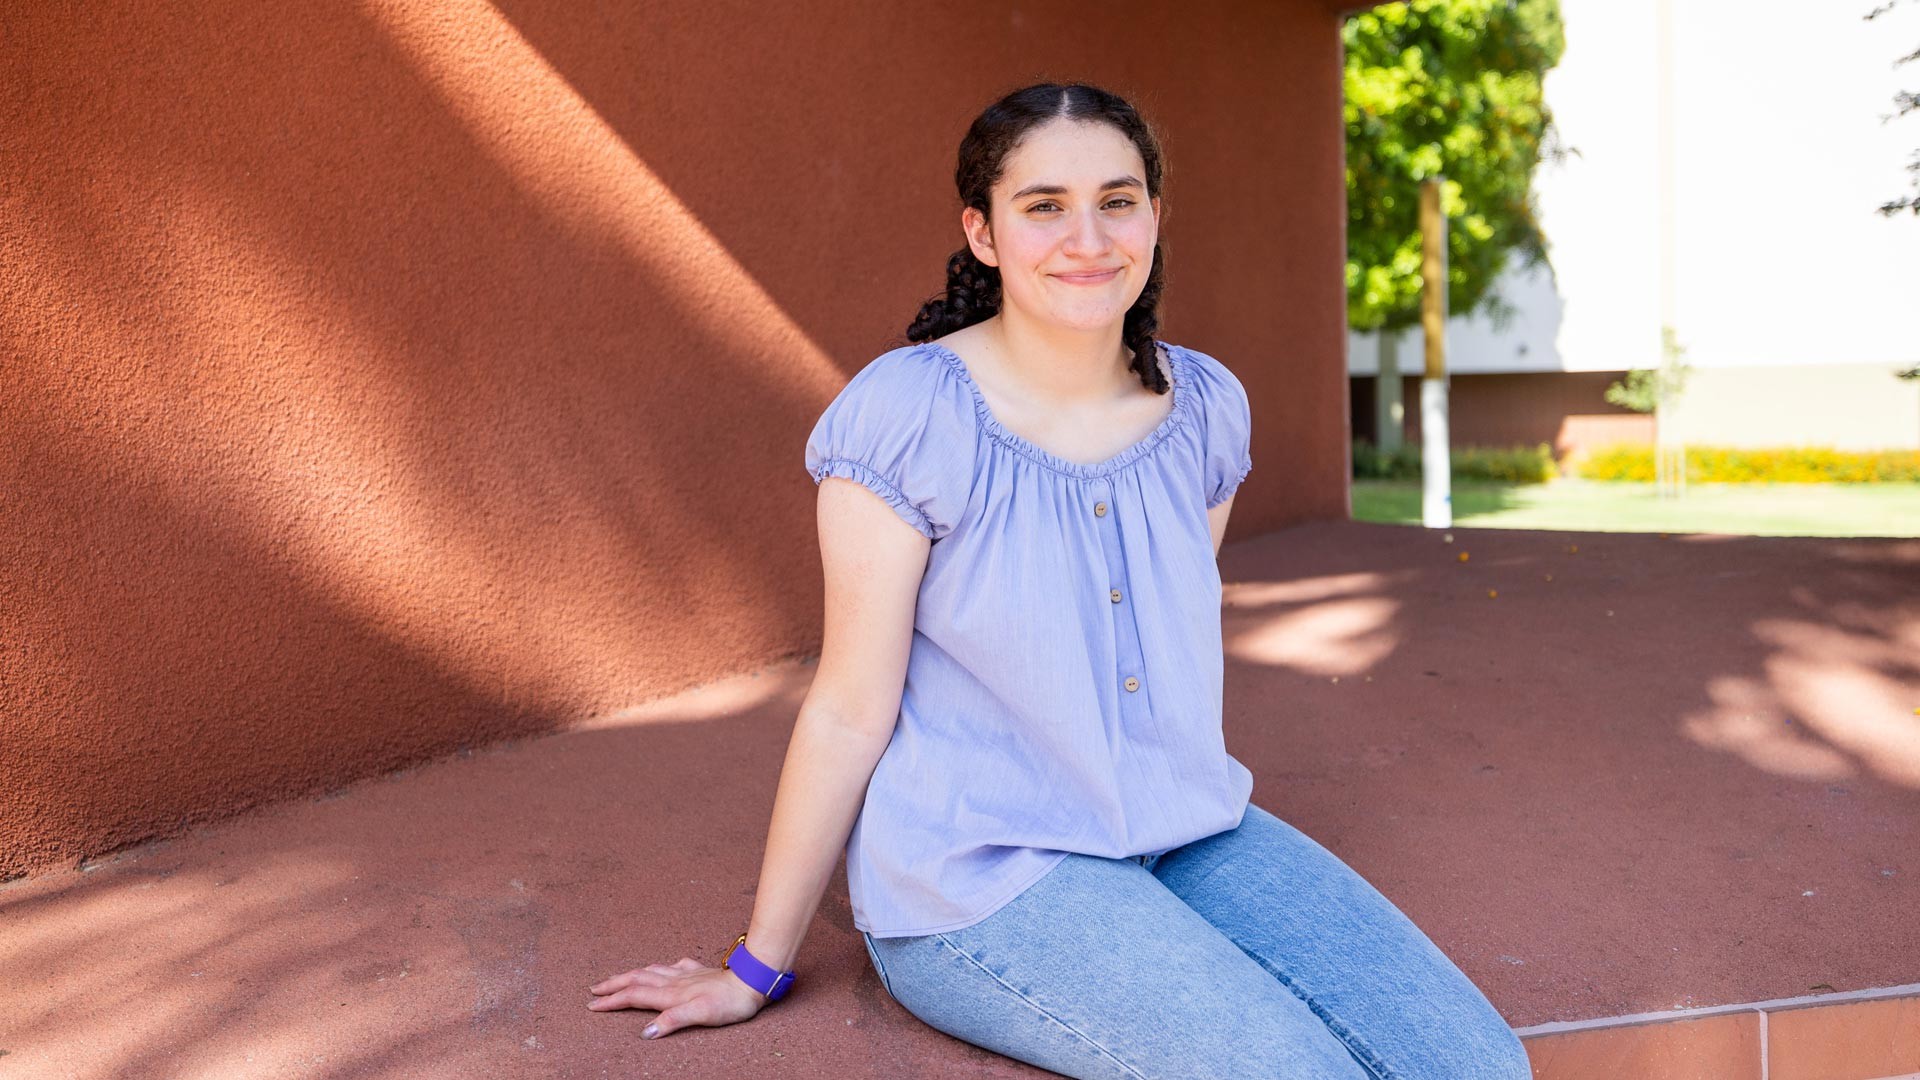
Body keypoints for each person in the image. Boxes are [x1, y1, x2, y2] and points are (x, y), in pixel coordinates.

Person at [590, 82, 1534, 1079]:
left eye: (1118, 201)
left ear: (1154, 219)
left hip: (1186, 831)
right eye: (1044, 206)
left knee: (1478, 1063)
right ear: (984, 233)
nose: (1088, 236)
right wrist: (755, 966)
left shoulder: (1206, 407)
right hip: (986, 876)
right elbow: (847, 710)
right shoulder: (911, 418)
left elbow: (1154, 643)